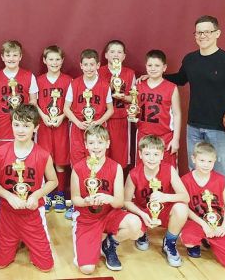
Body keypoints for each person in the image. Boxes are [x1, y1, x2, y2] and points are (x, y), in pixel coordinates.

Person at [164, 15, 225, 199]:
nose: (202, 36)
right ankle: (201, 217)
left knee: (222, 176)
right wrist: (155, 76)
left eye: (207, 31)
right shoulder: (190, 59)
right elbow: (180, 79)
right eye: (198, 32)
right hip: (193, 127)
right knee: (196, 175)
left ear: (217, 33)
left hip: (220, 130)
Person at [0, 104, 58, 271]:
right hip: (8, 213)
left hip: (32, 214)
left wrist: (36, 195)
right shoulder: (1, 152)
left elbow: (53, 181)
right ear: (11, 124)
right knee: (0, 263)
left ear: (35, 127)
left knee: (46, 267)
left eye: (26, 126)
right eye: (16, 124)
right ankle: (18, 239)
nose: (20, 130)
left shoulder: (43, 154)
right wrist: (9, 196)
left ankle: (26, 239)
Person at [71, 125, 143, 274]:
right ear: (85, 145)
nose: (96, 147)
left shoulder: (115, 167)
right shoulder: (78, 168)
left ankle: (109, 244)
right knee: (87, 269)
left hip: (109, 215)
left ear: (108, 144)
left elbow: (119, 202)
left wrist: (107, 198)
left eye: (100, 142)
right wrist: (86, 201)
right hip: (87, 219)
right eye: (91, 143)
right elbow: (75, 199)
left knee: (136, 227)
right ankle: (94, 240)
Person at [63, 49, 114, 219]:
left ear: (98, 65)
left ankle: (96, 201)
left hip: (97, 133)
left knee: (97, 166)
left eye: (92, 64)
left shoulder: (105, 84)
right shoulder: (75, 83)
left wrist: (98, 122)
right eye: (86, 65)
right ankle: (76, 203)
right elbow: (65, 108)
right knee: (78, 167)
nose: (89, 68)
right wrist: (77, 122)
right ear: (81, 65)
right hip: (78, 131)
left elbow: (110, 110)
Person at [124, 135, 189, 267]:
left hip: (164, 210)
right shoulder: (134, 174)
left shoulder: (169, 170)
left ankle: (169, 243)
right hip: (143, 211)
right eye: (147, 154)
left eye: (155, 154)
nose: (151, 158)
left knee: (182, 209)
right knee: (134, 228)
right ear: (140, 154)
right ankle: (142, 234)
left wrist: (166, 197)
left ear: (161, 156)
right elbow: (126, 202)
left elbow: (185, 197)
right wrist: (142, 214)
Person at [180, 142, 225, 272]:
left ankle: (211, 241)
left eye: (210, 161)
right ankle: (198, 243)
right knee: (188, 239)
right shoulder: (185, 180)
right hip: (197, 222)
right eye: (202, 160)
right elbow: (185, 208)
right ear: (193, 159)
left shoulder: (220, 179)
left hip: (217, 224)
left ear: (215, 161)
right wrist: (203, 224)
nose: (206, 164)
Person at [36, 45, 72, 213]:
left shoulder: (68, 80)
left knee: (61, 162)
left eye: (57, 59)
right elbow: (33, 102)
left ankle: (60, 195)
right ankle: (48, 194)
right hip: (44, 126)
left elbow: (69, 105)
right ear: (44, 61)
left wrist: (61, 116)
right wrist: (43, 117)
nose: (54, 62)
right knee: (46, 161)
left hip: (61, 125)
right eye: (50, 59)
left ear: (62, 61)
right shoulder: (39, 80)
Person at [0, 40, 38, 148]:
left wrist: (30, 121)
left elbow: (33, 102)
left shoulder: (29, 76)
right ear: (2, 57)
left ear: (20, 57)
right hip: (1, 127)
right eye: (8, 55)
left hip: (23, 126)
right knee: (3, 161)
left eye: (15, 55)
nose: (11, 58)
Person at [136, 50, 181, 168]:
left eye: (157, 65)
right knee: (142, 171)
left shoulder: (171, 88)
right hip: (144, 134)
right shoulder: (139, 85)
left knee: (166, 172)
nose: (153, 68)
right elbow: (133, 107)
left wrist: (176, 139)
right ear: (145, 66)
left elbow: (177, 114)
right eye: (150, 65)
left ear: (164, 67)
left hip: (164, 137)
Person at [98, 40, 136, 169]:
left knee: (120, 156)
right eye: (112, 51)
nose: (116, 54)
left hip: (121, 119)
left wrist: (124, 97)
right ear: (106, 55)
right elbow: (94, 95)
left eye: (119, 52)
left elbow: (134, 99)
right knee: (100, 154)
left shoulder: (129, 73)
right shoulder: (98, 71)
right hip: (102, 119)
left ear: (124, 56)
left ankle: (118, 186)